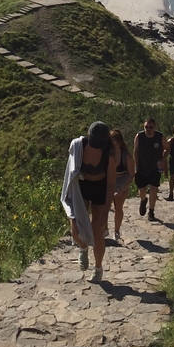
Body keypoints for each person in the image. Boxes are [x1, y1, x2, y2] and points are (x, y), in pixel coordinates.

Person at [61, 121, 116, 283]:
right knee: (76, 230)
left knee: (98, 231)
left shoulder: (109, 153)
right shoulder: (78, 146)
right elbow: (71, 171)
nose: (97, 147)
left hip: (100, 188)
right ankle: (83, 247)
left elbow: (111, 183)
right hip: (81, 188)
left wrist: (106, 212)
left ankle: (98, 268)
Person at [133, 117, 167, 221]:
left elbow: (167, 149)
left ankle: (151, 212)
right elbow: (135, 151)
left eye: (150, 127)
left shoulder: (160, 137)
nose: (148, 129)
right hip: (142, 167)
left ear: (154, 127)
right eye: (146, 127)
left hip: (155, 168)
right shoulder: (139, 136)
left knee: (153, 189)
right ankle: (143, 201)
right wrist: (136, 166)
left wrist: (163, 160)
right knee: (142, 190)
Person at [110, 128, 134, 241]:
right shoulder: (107, 154)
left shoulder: (126, 156)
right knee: (103, 208)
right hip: (109, 182)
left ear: (120, 142)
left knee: (118, 208)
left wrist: (122, 188)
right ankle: (103, 230)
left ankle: (116, 231)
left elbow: (131, 174)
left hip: (121, 182)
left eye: (116, 141)